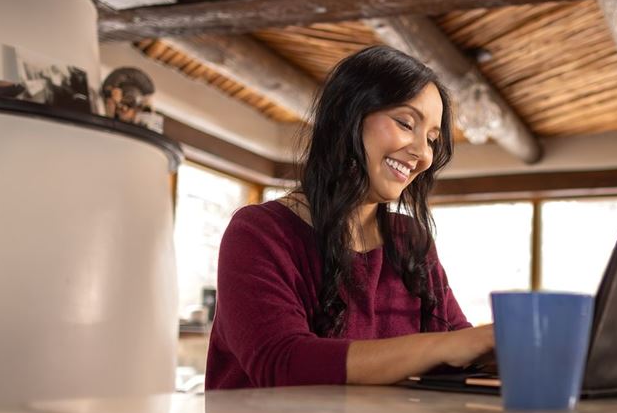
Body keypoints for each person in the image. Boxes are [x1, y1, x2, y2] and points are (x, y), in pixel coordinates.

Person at [206, 46, 495, 389]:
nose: (423, 154)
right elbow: (281, 362)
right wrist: (452, 346)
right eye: (406, 123)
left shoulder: (410, 240)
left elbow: (460, 346)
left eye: (432, 139)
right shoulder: (260, 232)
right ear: (348, 116)